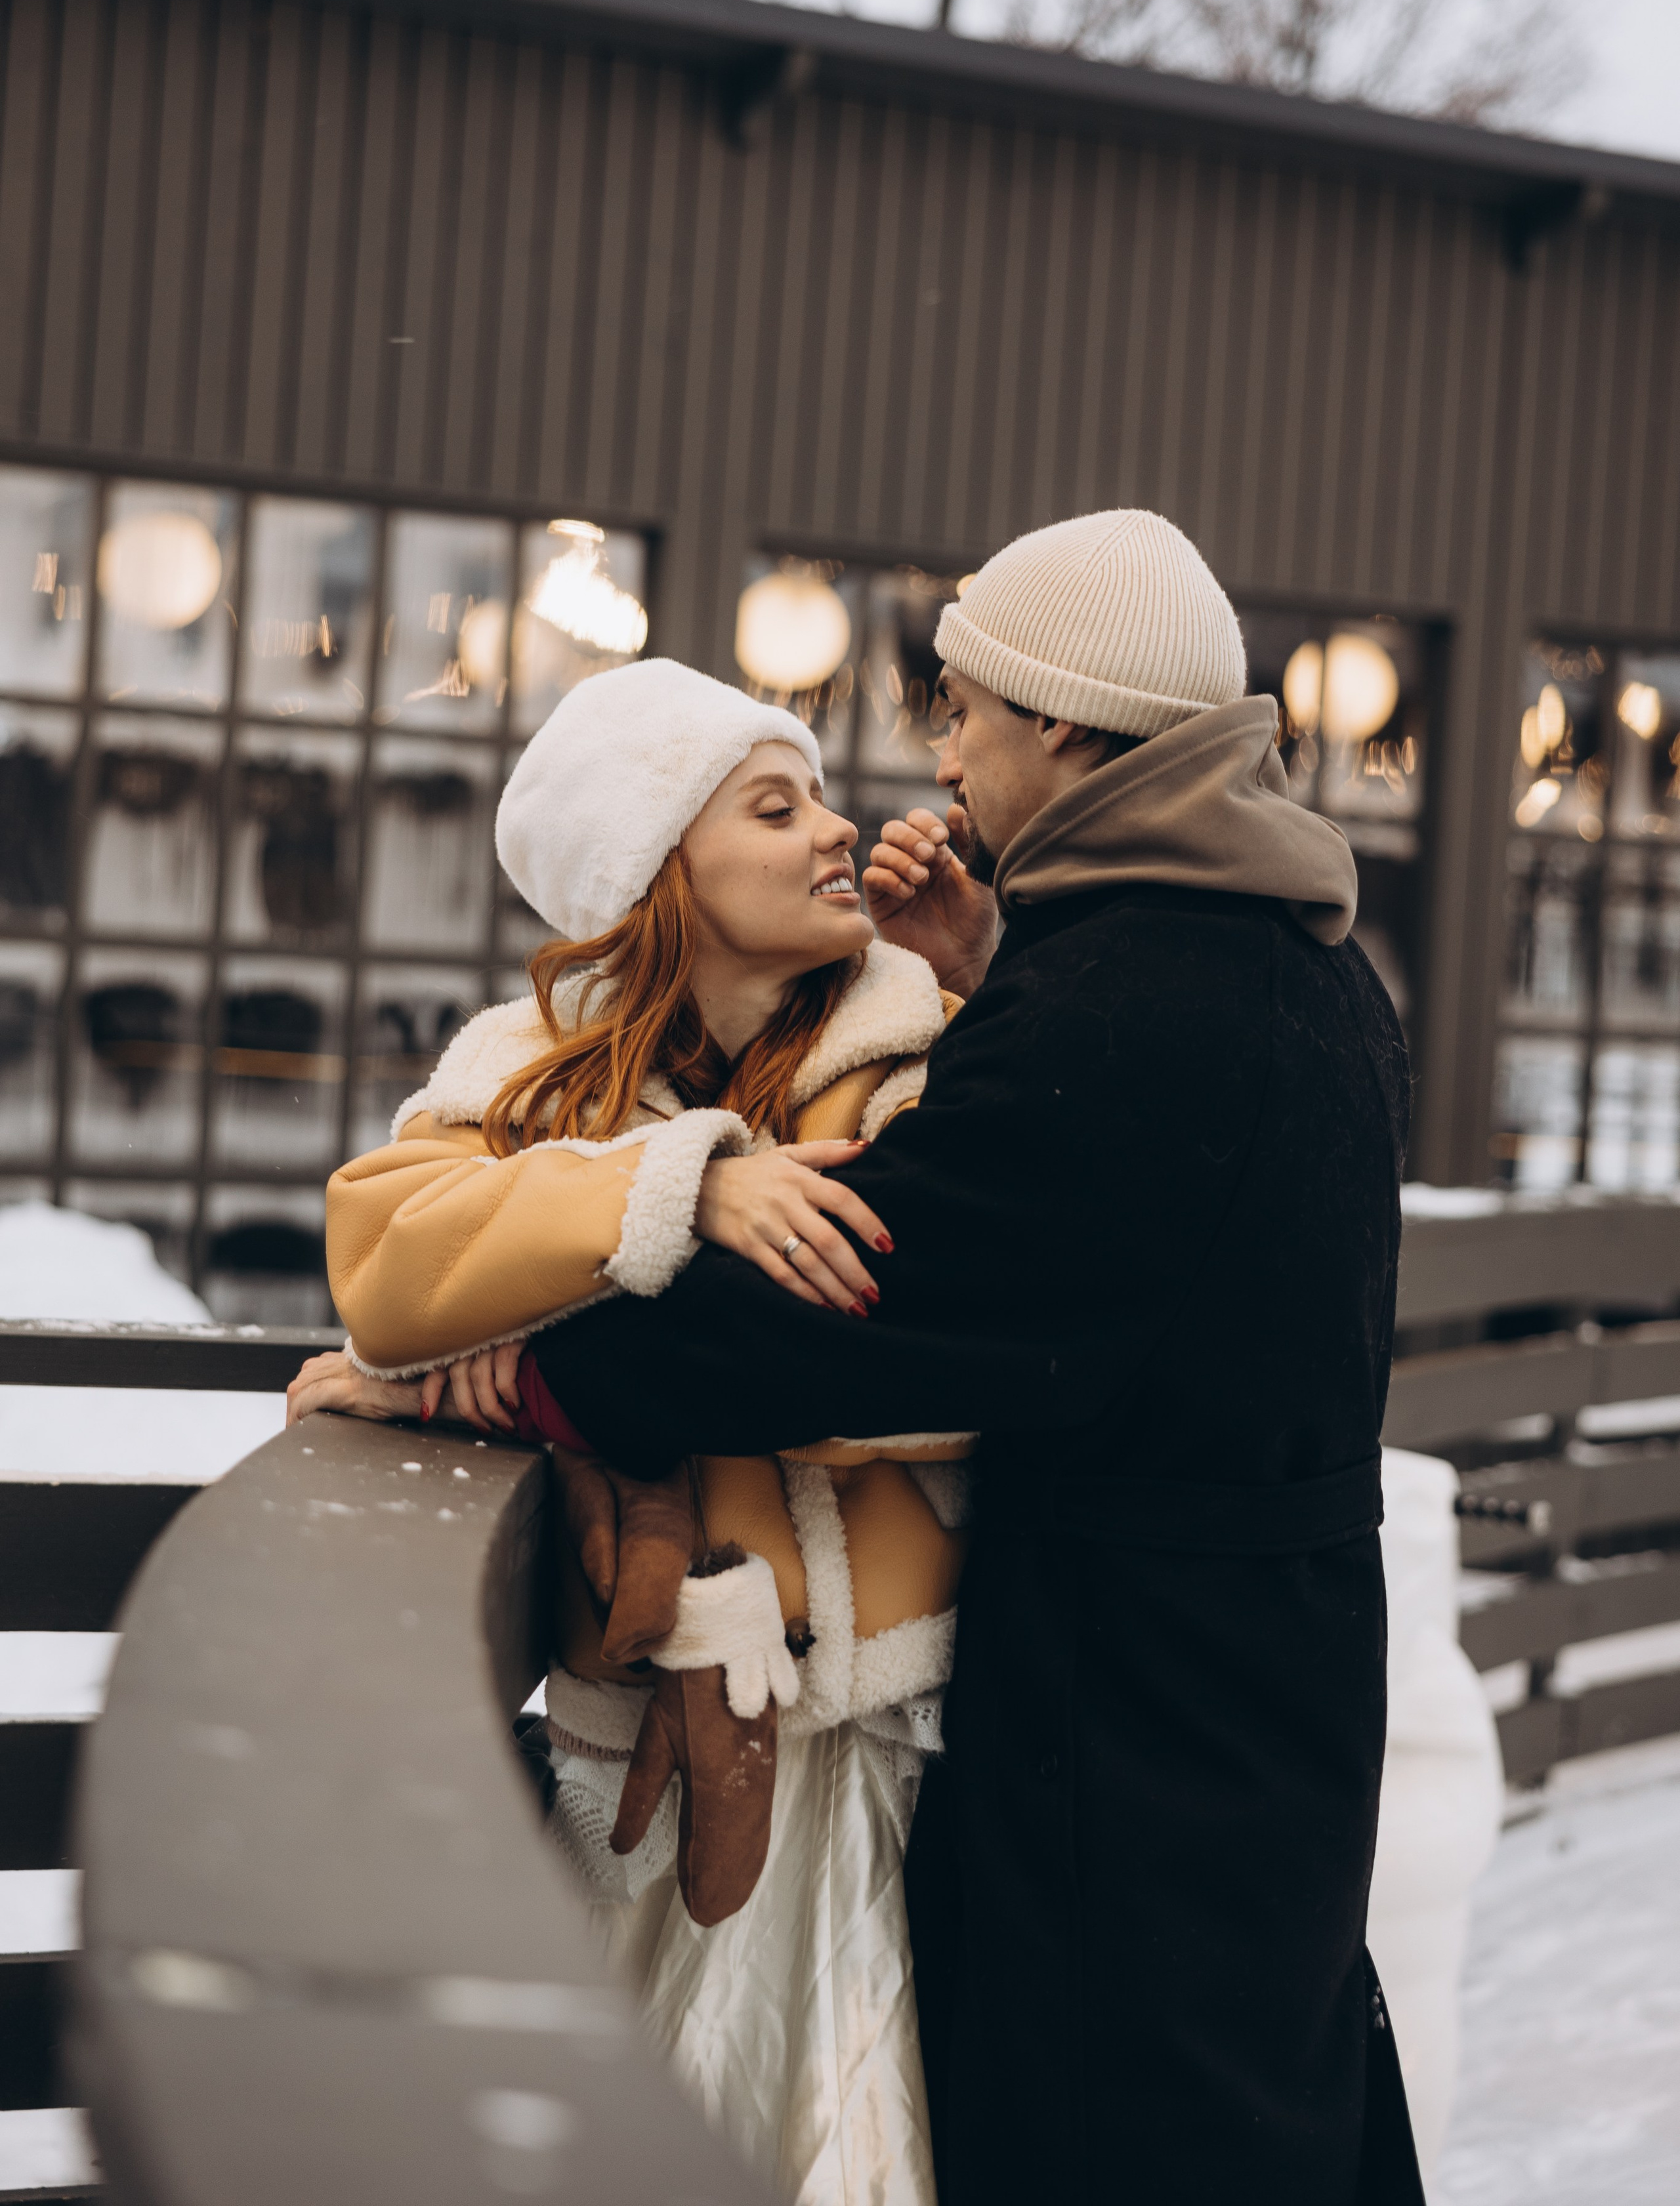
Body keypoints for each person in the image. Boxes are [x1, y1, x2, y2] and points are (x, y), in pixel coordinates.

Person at [515, 510, 1428, 2205]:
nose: (941, 757)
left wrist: (534, 1367)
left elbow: (863, 1296)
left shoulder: (1136, 1005)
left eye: (963, 709)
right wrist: (991, 980)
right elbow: (1120, 1240)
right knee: (1257, 2113)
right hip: (1279, 1691)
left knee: (1124, 2140)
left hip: (1138, 1728)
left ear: (1065, 724)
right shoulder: (1306, 965)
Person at [287, 657, 975, 2206]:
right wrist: (685, 1185)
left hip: (857, 1740)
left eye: (819, 798)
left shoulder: (908, 1053)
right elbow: (385, 1260)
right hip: (634, 1733)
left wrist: (508, 1346)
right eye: (773, 807)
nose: (836, 831)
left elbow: (917, 1378)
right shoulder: (529, 1067)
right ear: (657, 867)